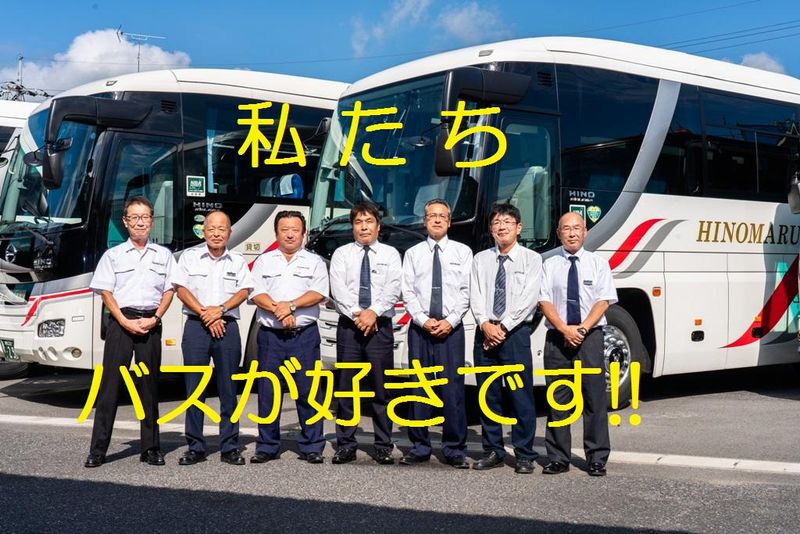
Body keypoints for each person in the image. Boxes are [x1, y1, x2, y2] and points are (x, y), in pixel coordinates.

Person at [85, 196, 175, 468]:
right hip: (121, 324)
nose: (139, 222)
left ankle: (151, 448)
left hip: (150, 323)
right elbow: (105, 292)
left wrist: (155, 318)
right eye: (134, 217)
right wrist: (124, 321)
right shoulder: (113, 255)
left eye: (145, 217)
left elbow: (170, 290)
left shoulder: (163, 255)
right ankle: (98, 450)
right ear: (125, 222)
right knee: (110, 386)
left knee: (149, 386)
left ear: (152, 221)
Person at [171, 210, 253, 466]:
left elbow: (244, 291)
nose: (216, 233)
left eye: (222, 229)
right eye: (211, 228)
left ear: (230, 232)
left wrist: (220, 310)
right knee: (194, 388)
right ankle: (195, 446)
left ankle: (230, 446)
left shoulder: (237, 260)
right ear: (203, 231)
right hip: (196, 326)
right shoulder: (190, 257)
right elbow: (180, 289)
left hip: (227, 326)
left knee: (229, 389)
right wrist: (206, 314)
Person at [539, 211, 617, 477]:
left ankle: (596, 457)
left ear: (585, 232)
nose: (571, 233)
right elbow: (544, 301)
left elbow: (603, 301)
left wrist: (582, 329)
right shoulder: (549, 265)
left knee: (594, 398)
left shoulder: (598, 264)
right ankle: (558, 457)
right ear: (558, 233)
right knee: (558, 397)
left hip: (590, 336)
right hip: (557, 337)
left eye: (576, 228)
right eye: (566, 229)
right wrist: (564, 329)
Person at [249, 210, 329, 464]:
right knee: (268, 392)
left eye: (295, 230)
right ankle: (267, 446)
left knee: (308, 391)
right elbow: (255, 293)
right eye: (285, 230)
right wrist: (280, 310)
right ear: (276, 233)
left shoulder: (314, 262)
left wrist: (291, 306)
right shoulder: (264, 261)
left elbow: (319, 292)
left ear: (304, 233)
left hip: (304, 336)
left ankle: (312, 446)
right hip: (270, 337)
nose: (290, 234)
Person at [400, 199, 472, 469]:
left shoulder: (463, 252)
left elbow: (467, 291)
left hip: (451, 330)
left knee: (452, 389)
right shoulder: (413, 253)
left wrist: (450, 321)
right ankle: (419, 446)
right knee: (420, 387)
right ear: (425, 221)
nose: (437, 220)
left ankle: (454, 448)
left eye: (442, 216)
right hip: (420, 330)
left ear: (449, 222)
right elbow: (407, 291)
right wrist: (423, 320)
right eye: (432, 216)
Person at [470, 203, 541, 474]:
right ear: (491, 229)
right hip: (485, 332)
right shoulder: (481, 259)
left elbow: (529, 298)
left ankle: (524, 454)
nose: (502, 227)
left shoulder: (532, 259)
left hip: (515, 333)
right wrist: (485, 324)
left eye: (507, 222)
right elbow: (475, 294)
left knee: (520, 394)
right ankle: (493, 450)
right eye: (497, 223)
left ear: (519, 228)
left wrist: (503, 328)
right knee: (488, 394)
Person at [328, 202, 402, 465]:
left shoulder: (391, 254)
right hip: (350, 327)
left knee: (382, 388)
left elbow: (394, 288)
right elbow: (338, 289)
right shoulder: (341, 254)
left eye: (369, 221)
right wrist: (359, 315)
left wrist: (374, 312)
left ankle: (383, 445)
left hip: (380, 327)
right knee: (347, 388)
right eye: (358, 222)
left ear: (378, 226)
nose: (364, 227)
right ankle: (346, 444)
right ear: (352, 227)